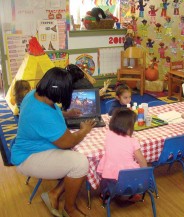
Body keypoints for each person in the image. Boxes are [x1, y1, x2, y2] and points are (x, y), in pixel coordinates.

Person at [11, 67, 96, 217]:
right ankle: (69, 209)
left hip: (33, 147)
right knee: (80, 163)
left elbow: (52, 108)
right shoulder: (41, 114)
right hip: (29, 158)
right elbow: (68, 142)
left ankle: (54, 193)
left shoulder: (35, 95)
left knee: (75, 157)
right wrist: (84, 131)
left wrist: (66, 113)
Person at [97, 108, 147, 199]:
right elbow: (142, 161)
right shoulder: (133, 141)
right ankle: (128, 195)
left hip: (109, 175)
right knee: (135, 176)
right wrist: (145, 173)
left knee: (109, 181)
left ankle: (108, 193)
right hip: (126, 176)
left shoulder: (109, 134)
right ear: (128, 127)